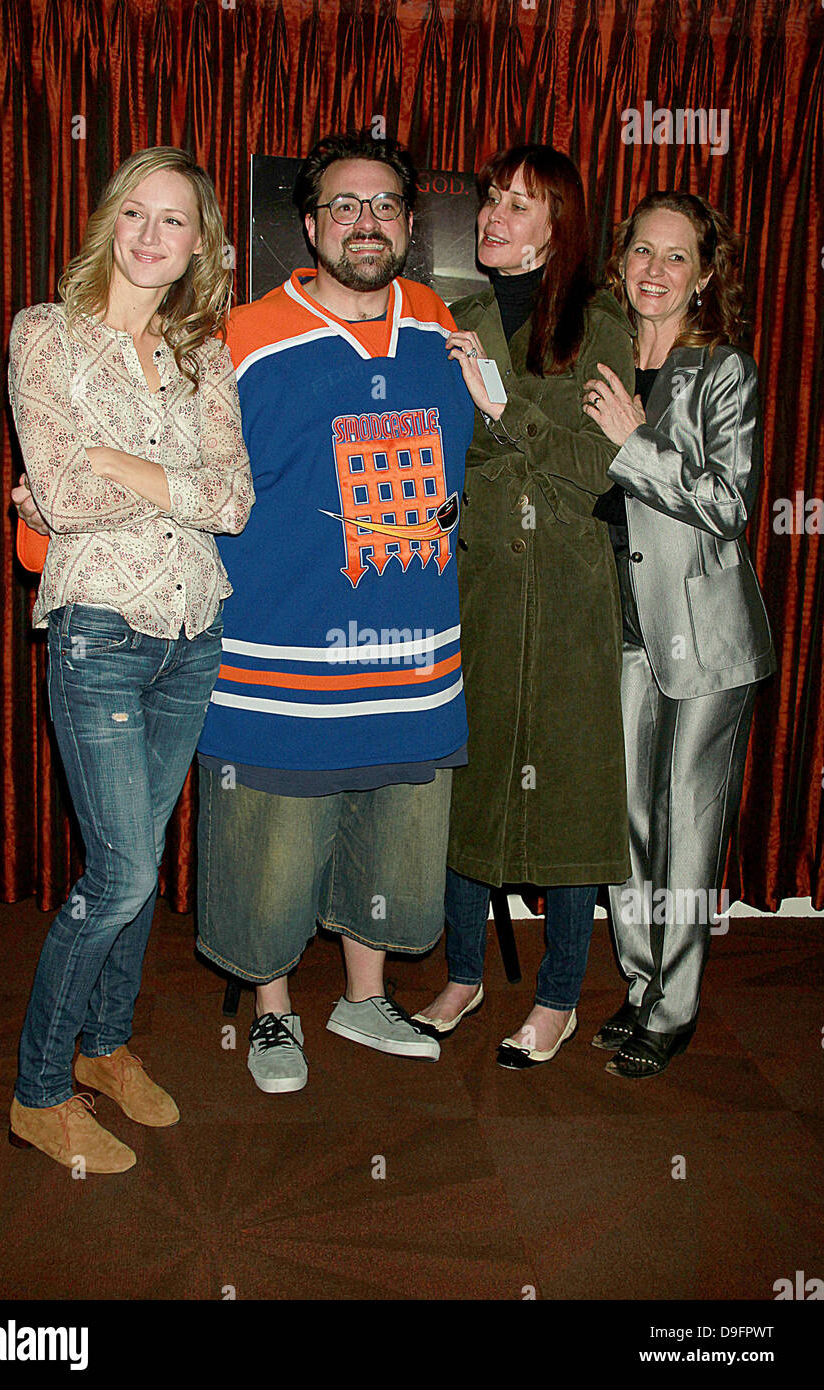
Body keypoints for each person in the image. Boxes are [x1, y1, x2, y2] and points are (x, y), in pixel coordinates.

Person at [192, 132, 476, 1092]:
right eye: (345, 206)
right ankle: (274, 1014)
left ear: (408, 222)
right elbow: (193, 477)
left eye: (386, 205)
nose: (367, 222)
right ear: (308, 225)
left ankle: (362, 998)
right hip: (279, 652)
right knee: (266, 853)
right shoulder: (240, 335)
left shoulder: (438, 320)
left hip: (410, 650)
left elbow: (464, 450)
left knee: (391, 835)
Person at [6, 147, 254, 1172]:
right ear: (111, 221)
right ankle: (37, 1089)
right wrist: (164, 475)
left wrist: (119, 462)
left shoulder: (204, 354)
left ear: (200, 244)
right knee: (118, 875)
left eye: (176, 221)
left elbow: (234, 498)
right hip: (101, 629)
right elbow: (60, 498)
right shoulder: (46, 336)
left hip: (193, 633)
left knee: (140, 874)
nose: (154, 237)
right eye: (138, 215)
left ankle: (106, 1046)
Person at [413, 145, 634, 1067]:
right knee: (468, 778)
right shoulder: (453, 316)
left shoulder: (598, 321)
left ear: (560, 225)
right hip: (476, 589)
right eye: (491, 200)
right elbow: (438, 460)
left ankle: (556, 997)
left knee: (569, 796)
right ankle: (462, 976)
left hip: (570, 593)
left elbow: (593, 473)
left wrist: (499, 407)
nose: (494, 218)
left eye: (519, 205)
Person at [584, 190, 775, 1078]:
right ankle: (636, 984)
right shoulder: (601, 359)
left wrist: (632, 442)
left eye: (675, 257)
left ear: (701, 278)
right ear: (619, 263)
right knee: (624, 820)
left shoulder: (720, 371)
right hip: (618, 627)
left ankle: (678, 1001)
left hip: (704, 635)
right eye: (641, 253)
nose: (653, 271)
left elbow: (728, 506)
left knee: (686, 824)